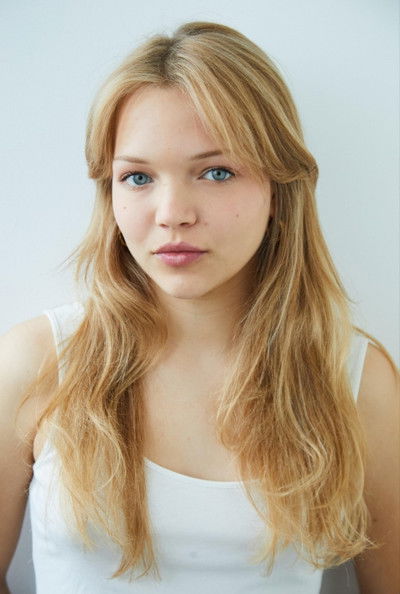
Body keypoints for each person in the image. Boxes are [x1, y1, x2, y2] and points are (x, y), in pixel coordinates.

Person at [0, 20, 399, 594]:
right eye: (137, 177)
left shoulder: (355, 379)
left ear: (278, 190)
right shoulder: (35, 363)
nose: (172, 214)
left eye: (216, 172)